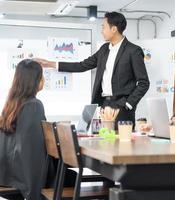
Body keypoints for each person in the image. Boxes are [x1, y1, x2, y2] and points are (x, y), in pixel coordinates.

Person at [35, 12, 149, 126]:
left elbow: (144, 83)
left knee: (123, 142)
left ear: (114, 29)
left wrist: (129, 104)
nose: (101, 31)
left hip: (123, 107)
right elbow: (82, 65)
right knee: (104, 142)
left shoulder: (133, 51)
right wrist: (50, 64)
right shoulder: (104, 49)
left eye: (103, 27)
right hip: (104, 105)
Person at [0, 59, 47, 200]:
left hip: (6, 176)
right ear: (35, 80)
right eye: (42, 76)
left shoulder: (11, 105)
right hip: (22, 181)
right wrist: (34, 194)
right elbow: (32, 153)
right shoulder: (34, 106)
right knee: (73, 178)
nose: (44, 79)